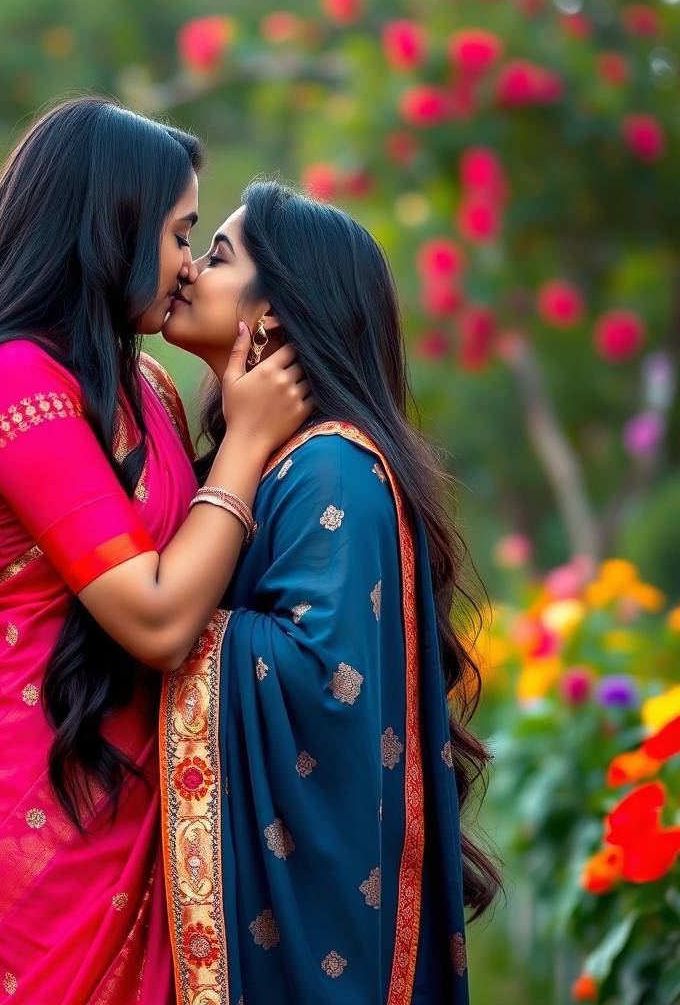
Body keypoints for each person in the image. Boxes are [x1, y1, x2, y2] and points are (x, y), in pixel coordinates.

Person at [0, 100, 312, 1003]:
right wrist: (242, 444)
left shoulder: (144, 386)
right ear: (108, 227)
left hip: (129, 797)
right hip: (30, 819)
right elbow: (159, 619)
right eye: (178, 233)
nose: (187, 264)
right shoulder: (12, 380)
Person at [159, 180, 502, 1005]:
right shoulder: (264, 460)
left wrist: (146, 615)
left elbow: (323, 682)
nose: (189, 273)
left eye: (218, 256)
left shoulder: (330, 465)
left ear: (271, 311)